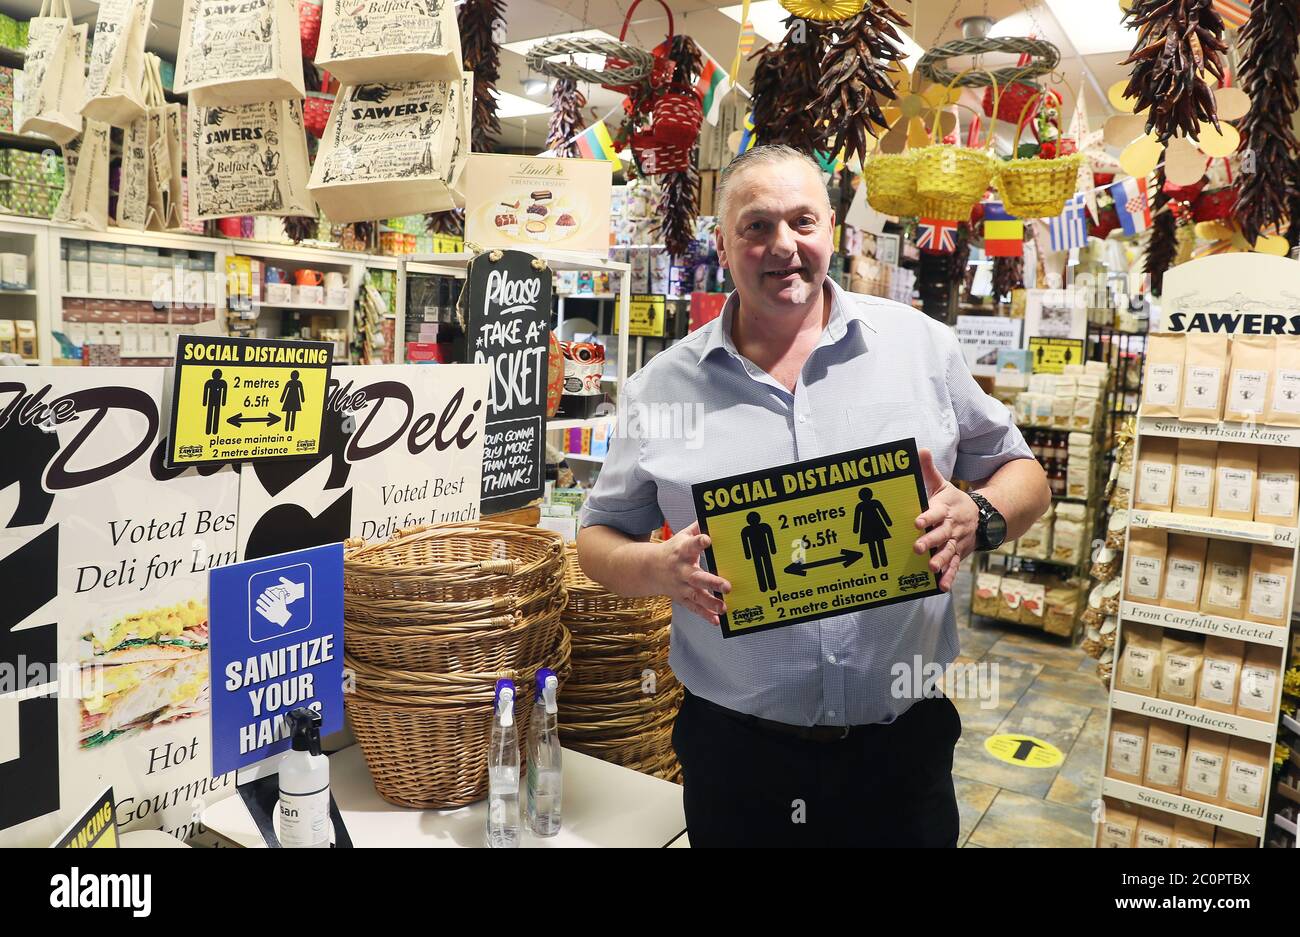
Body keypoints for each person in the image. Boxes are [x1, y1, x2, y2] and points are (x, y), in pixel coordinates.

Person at [576, 145, 1050, 848]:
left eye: (802, 221)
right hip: (739, 759)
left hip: (900, 752)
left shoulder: (920, 348)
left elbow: (1027, 474)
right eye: (757, 226)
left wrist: (978, 514)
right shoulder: (664, 387)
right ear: (723, 242)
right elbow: (597, 535)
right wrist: (656, 569)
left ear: (833, 228)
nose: (783, 246)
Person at [852, 486, 892, 569]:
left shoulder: (863, 505)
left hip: (870, 527)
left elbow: (882, 512)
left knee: (875, 545)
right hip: (873, 526)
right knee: (876, 545)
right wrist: (888, 522)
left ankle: (879, 564)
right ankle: (879, 564)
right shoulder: (868, 504)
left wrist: (856, 529)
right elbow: (857, 518)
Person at [202, 368, 227, 436]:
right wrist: (204, 402)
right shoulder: (209, 382)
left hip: (217, 402)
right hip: (210, 401)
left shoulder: (223, 383)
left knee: (216, 415)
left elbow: (224, 392)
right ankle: (208, 430)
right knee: (209, 414)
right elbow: (205, 392)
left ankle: (215, 430)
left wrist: (223, 402)